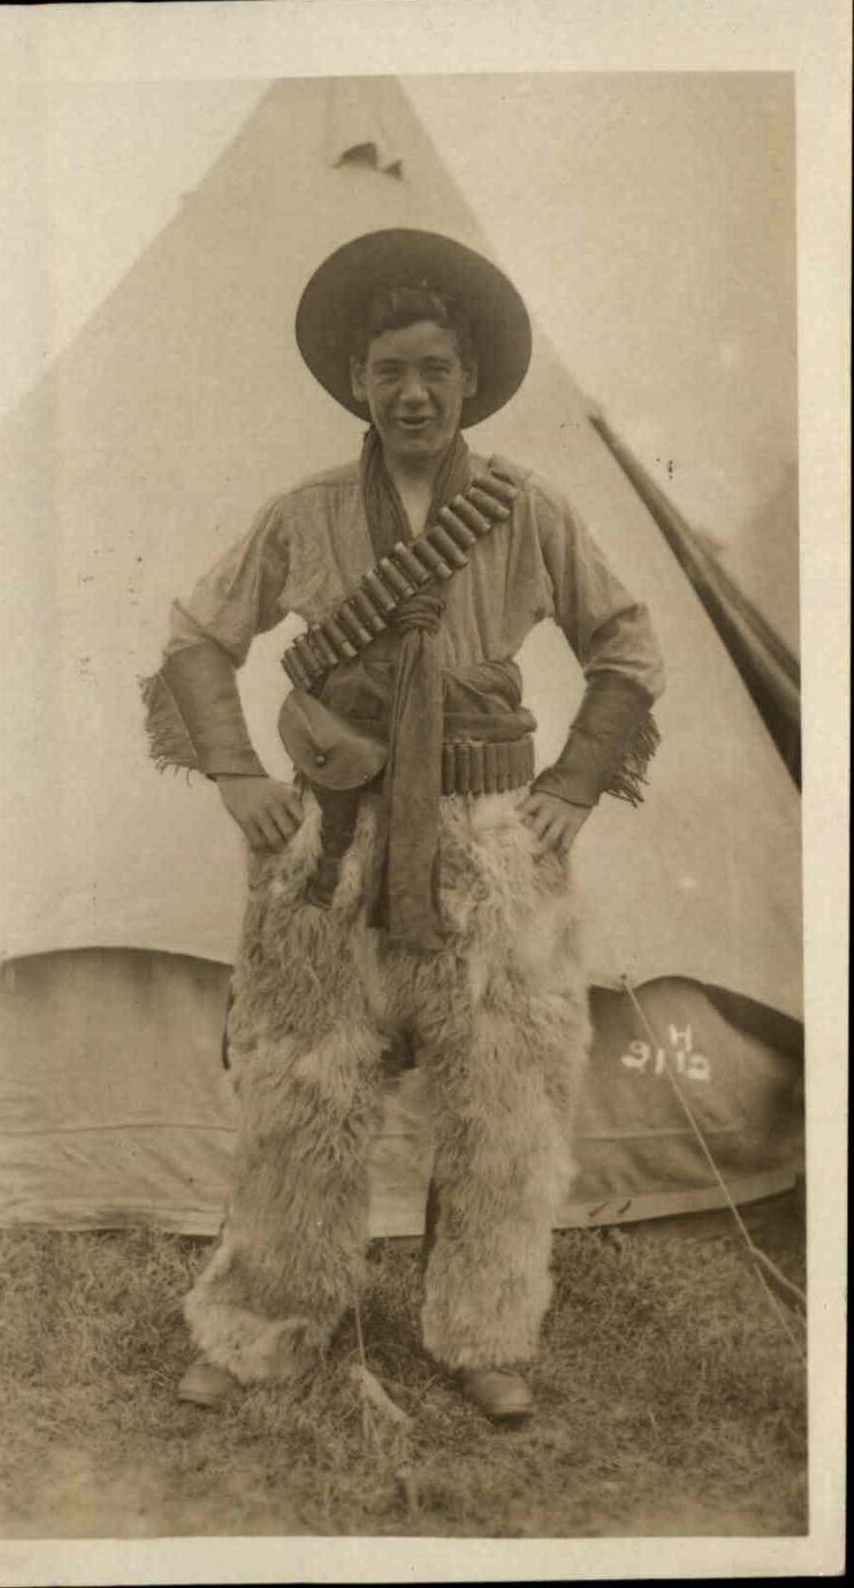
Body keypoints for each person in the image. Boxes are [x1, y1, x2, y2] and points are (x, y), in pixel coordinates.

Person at [143, 228, 664, 1420]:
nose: (412, 393)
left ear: (468, 377)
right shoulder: (307, 513)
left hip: (489, 841)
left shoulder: (527, 510)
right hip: (329, 840)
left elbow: (626, 649)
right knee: (303, 1094)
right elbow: (194, 641)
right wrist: (237, 782)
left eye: (432, 367)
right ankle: (261, 1325)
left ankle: (485, 1331)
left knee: (502, 1099)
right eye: (387, 372)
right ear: (356, 385)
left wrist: (572, 789)